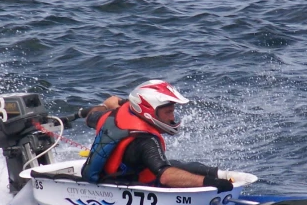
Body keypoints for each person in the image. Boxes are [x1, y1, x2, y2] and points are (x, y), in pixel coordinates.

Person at [80, 80, 257, 191]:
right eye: (168, 112)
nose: (172, 117)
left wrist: (108, 105)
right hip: (126, 185)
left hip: (112, 171)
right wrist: (210, 183)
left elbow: (91, 116)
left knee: (178, 165)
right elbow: (165, 176)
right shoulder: (146, 141)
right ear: (149, 111)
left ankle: (222, 173)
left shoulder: (110, 115)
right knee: (171, 169)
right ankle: (219, 179)